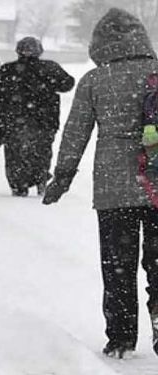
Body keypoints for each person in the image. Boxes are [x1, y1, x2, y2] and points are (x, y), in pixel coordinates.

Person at [43, 8, 158, 359]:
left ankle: (121, 338)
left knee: (117, 265)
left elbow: (76, 131)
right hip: (156, 180)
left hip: (113, 187)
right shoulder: (156, 73)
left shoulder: (95, 79)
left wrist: (62, 176)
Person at [0, 37, 75, 197]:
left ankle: (18, 184)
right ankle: (40, 178)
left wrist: (6, 103)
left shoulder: (8, 70)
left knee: (15, 153)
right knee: (41, 151)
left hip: (15, 119)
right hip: (44, 120)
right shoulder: (49, 68)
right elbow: (68, 84)